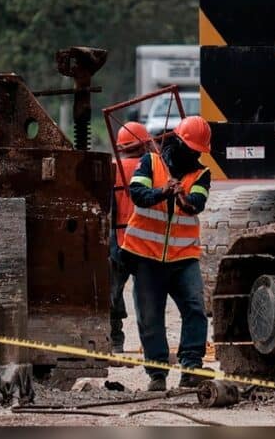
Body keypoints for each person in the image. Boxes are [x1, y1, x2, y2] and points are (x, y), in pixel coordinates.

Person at [120, 116, 212, 391]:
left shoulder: (201, 174)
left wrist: (182, 197)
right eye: (192, 149)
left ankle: (191, 368)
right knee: (150, 316)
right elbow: (138, 193)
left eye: (199, 151)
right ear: (179, 142)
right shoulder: (150, 163)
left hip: (183, 257)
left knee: (196, 309)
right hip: (146, 255)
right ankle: (157, 374)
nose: (195, 155)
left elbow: (197, 203)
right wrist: (163, 191)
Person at [109, 121, 154, 353]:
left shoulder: (112, 168)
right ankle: (151, 346)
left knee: (113, 292)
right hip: (145, 242)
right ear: (143, 143)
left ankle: (115, 341)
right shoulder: (153, 166)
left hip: (118, 240)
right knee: (146, 296)